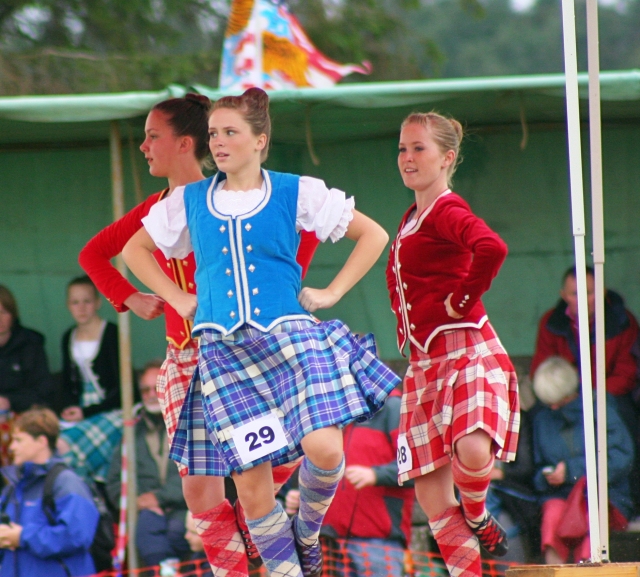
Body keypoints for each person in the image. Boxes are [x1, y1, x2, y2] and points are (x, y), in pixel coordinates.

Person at [122, 86, 399, 577]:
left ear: (260, 140)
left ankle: (308, 533)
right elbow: (133, 251)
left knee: (326, 448)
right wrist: (180, 298)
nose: (220, 142)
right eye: (213, 134)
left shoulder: (297, 191)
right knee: (251, 488)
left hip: (291, 342)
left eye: (231, 132)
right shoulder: (189, 201)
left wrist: (331, 292)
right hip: (225, 356)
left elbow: (373, 234)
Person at [79, 93, 320, 577]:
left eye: (153, 136)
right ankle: (233, 569)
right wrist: (132, 297)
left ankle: (276, 541)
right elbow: (97, 254)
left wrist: (281, 294)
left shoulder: (226, 196)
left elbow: (305, 230)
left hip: (236, 354)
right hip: (182, 359)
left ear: (184, 143)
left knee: (264, 469)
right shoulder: (157, 208)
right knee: (197, 489)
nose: (144, 146)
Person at [385, 112, 520, 577]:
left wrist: (462, 299)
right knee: (433, 500)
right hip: (423, 364)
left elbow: (492, 248)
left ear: (447, 158)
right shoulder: (411, 217)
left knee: (475, 451)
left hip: (464, 348)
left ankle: (480, 516)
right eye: (403, 148)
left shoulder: (445, 208)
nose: (407, 158)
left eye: (418, 148)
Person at [284, 389, 415, 577]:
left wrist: (375, 475)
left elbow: (418, 466)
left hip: (378, 545)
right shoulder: (328, 412)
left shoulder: (394, 407)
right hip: (329, 543)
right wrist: (302, 497)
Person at [531, 357, 634, 564]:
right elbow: (537, 468)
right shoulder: (542, 420)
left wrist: (571, 471)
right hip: (561, 495)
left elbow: (621, 458)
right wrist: (547, 477)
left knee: (591, 520)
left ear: (569, 393)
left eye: (558, 401)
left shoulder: (601, 409)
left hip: (605, 496)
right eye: (548, 402)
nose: (553, 408)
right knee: (552, 516)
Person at [530, 266, 640, 433]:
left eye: (588, 293)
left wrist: (589, 395)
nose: (582, 300)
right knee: (537, 419)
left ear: (602, 292)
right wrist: (565, 395)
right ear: (564, 295)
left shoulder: (623, 321)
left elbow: (627, 373)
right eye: (575, 294)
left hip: (608, 394)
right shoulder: (550, 321)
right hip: (563, 397)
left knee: (626, 419)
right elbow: (540, 369)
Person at [106, 360, 190, 568]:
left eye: (157, 388)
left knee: (178, 533)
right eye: (145, 390)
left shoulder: (188, 424)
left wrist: (158, 498)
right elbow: (115, 483)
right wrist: (138, 501)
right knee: (145, 532)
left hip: (186, 510)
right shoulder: (131, 434)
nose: (151, 394)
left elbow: (200, 473)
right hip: (147, 514)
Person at [0, 407, 99, 576]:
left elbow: (77, 536)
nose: (12, 447)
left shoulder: (66, 482)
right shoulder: (12, 487)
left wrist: (23, 536)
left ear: (41, 442)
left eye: (19, 440)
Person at [57, 275, 123, 485]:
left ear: (98, 302)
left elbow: (123, 390)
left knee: (66, 445)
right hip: (82, 411)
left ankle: (84, 494)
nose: (81, 308)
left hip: (112, 410)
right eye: (75, 302)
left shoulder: (111, 333)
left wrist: (85, 412)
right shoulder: (68, 336)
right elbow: (68, 383)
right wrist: (69, 408)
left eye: (87, 301)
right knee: (52, 440)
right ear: (68, 306)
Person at [0, 285, 54, 414]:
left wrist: (9, 401)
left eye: (3, 312)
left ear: (13, 315)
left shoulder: (30, 344)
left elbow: (44, 392)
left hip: (27, 417)